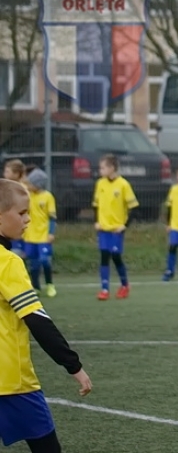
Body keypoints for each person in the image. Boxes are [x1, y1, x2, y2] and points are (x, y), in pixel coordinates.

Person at [0, 179, 93, 453]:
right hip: (11, 383)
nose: (28, 219)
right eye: (21, 213)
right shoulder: (8, 263)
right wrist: (73, 365)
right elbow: (37, 321)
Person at [93, 154, 139, 301]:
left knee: (115, 256)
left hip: (116, 229)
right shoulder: (100, 184)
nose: (100, 170)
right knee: (104, 256)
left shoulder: (123, 184)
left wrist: (124, 226)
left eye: (103, 167)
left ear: (112, 168)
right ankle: (104, 289)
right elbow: (96, 205)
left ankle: (125, 285)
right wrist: (97, 221)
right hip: (103, 229)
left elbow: (134, 208)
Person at [22, 169, 57, 298]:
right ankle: (36, 287)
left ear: (38, 184)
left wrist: (51, 233)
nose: (28, 185)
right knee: (34, 265)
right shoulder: (27, 196)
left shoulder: (48, 197)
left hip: (43, 236)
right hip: (30, 237)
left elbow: (52, 217)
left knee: (45, 261)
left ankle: (50, 284)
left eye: (30, 183)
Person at [4, 159, 28, 258]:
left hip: (17, 226)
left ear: (16, 174)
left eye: (7, 171)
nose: (4, 174)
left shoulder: (21, 189)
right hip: (8, 225)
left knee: (16, 254)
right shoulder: (6, 187)